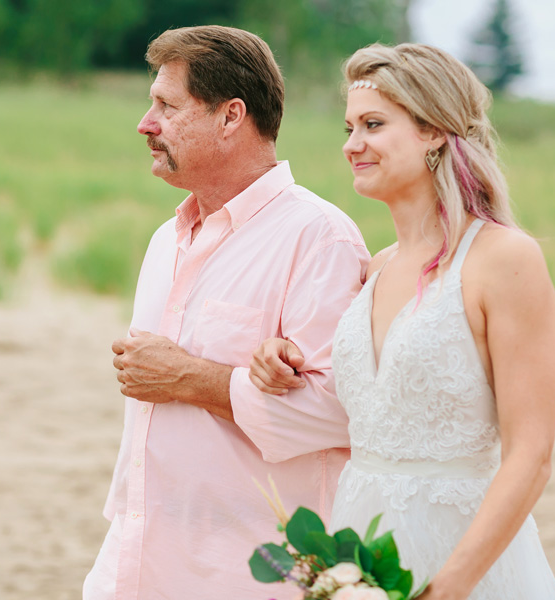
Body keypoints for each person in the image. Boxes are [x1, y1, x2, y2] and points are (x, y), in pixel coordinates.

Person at [249, 43, 555, 599]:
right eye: (349, 127)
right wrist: (281, 357)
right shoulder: (376, 267)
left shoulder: (504, 260)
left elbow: (531, 456)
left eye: (373, 124)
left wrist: (447, 588)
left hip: (465, 560)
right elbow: (373, 395)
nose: (352, 145)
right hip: (361, 549)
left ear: (435, 131)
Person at [82, 26, 370, 599]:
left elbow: (342, 414)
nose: (146, 123)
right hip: (136, 559)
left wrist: (191, 378)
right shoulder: (167, 239)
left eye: (166, 105)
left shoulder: (319, 239)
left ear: (231, 115)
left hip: (253, 575)